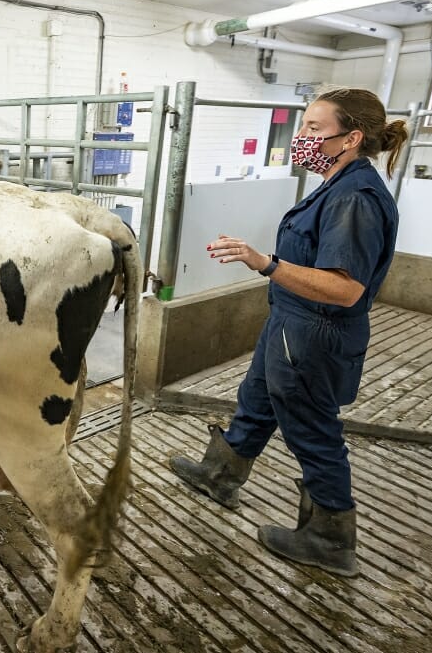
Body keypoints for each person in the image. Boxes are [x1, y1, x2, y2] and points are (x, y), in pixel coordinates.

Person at [169, 87, 409, 577]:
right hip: (290, 323)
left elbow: (345, 289)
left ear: (351, 138)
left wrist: (265, 264)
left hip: (314, 335)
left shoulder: (356, 199)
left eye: (314, 129)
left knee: (314, 433)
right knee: (255, 399)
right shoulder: (334, 185)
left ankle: (329, 538)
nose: (301, 137)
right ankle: (219, 476)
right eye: (302, 125)